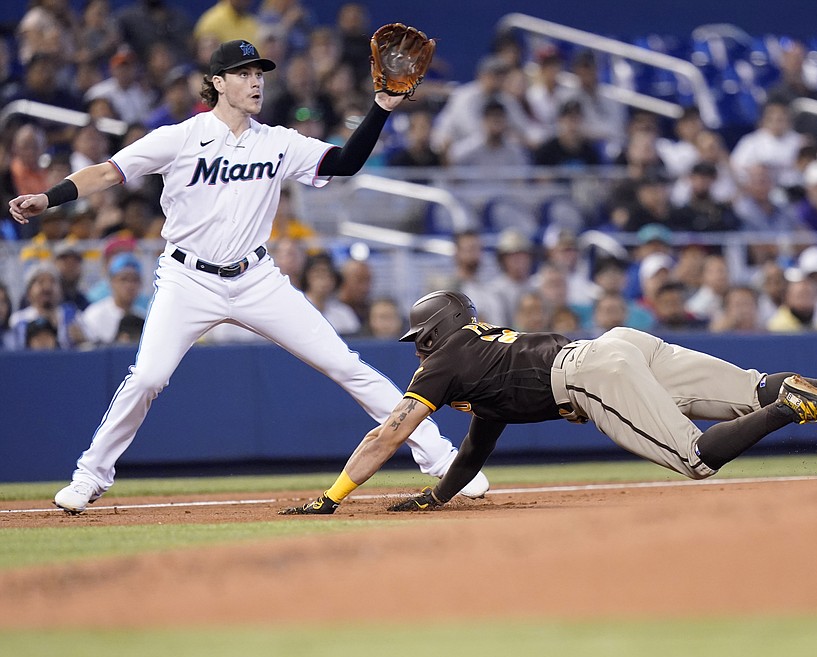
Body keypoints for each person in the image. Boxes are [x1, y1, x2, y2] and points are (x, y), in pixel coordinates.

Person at [9, 36, 488, 514]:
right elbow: (108, 173)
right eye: (243, 73)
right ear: (217, 83)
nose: (255, 81)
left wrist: (381, 107)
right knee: (148, 376)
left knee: (343, 364)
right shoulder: (178, 137)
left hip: (257, 278)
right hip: (187, 279)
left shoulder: (277, 141)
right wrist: (47, 199)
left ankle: (444, 459)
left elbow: (345, 162)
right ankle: (89, 477)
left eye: (259, 73)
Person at [281, 290, 817, 515]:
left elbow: (389, 432)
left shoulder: (448, 360)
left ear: (434, 334)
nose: (417, 351)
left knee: (697, 460)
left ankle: (794, 406)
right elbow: (483, 436)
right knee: (750, 388)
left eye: (419, 340)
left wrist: (333, 494)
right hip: (620, 345)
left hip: (591, 373)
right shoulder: (484, 353)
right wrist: (441, 494)